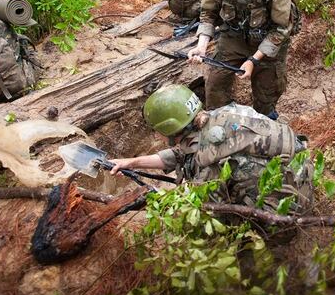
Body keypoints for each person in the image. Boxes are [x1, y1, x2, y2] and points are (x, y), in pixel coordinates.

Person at [109, 84, 314, 213]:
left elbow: (210, 210)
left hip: (286, 212)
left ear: (170, 128)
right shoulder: (223, 114)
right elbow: (182, 153)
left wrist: (157, 198)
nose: (156, 136)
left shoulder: (209, 165)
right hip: (301, 175)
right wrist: (132, 163)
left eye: (157, 131)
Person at [187, 0, 294, 119]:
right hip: (233, 37)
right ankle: (219, 122)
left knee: (266, 94)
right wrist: (202, 45)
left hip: (267, 41)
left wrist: (253, 60)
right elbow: (208, 13)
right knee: (215, 85)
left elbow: (281, 29)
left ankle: (266, 122)